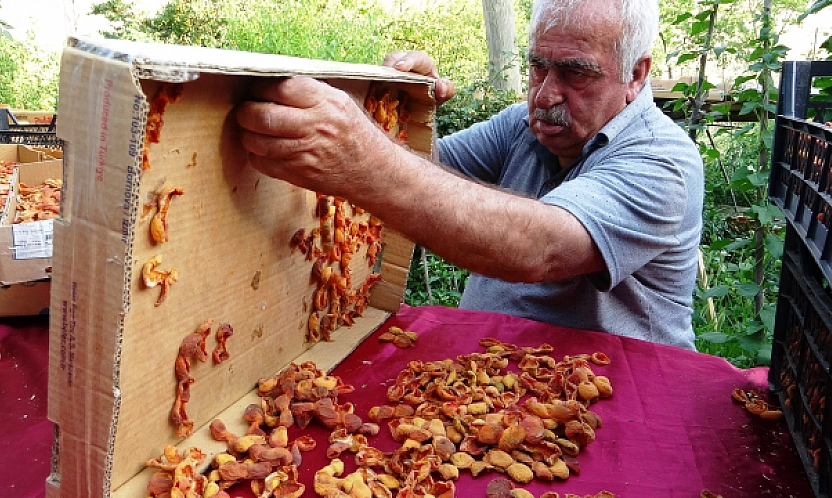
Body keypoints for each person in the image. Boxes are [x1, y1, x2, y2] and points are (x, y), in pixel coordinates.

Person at [235, 0, 704, 350]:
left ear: (636, 74)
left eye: (576, 75)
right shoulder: (524, 125)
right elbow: (423, 173)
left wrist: (366, 154)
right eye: (537, 67)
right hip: (490, 374)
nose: (544, 96)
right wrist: (403, 115)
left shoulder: (664, 162)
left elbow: (539, 248)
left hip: (619, 395)